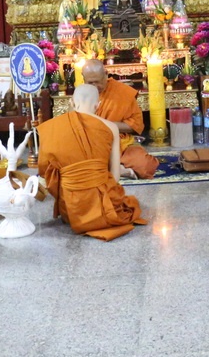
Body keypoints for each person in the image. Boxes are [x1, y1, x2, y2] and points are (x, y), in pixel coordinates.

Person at [38, 84, 146, 240]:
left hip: (71, 208)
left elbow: (45, 171)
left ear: (71, 102)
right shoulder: (111, 127)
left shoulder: (51, 128)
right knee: (128, 203)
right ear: (98, 105)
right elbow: (115, 177)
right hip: (103, 203)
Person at [81, 58, 160, 179]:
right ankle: (119, 169)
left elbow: (135, 125)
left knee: (145, 166)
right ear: (83, 78)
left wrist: (104, 124)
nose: (95, 86)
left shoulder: (122, 92)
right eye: (90, 83)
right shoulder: (80, 95)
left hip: (120, 143)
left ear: (106, 74)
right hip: (92, 145)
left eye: (98, 82)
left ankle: (109, 168)